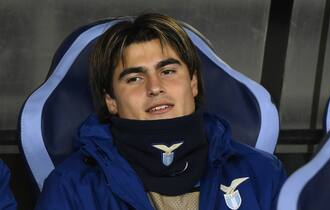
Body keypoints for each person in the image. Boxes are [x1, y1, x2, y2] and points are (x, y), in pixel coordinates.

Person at [35, 13, 286, 210]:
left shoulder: (263, 174)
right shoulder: (71, 187)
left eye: (167, 72)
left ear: (194, 83)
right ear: (110, 100)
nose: (155, 87)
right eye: (134, 78)